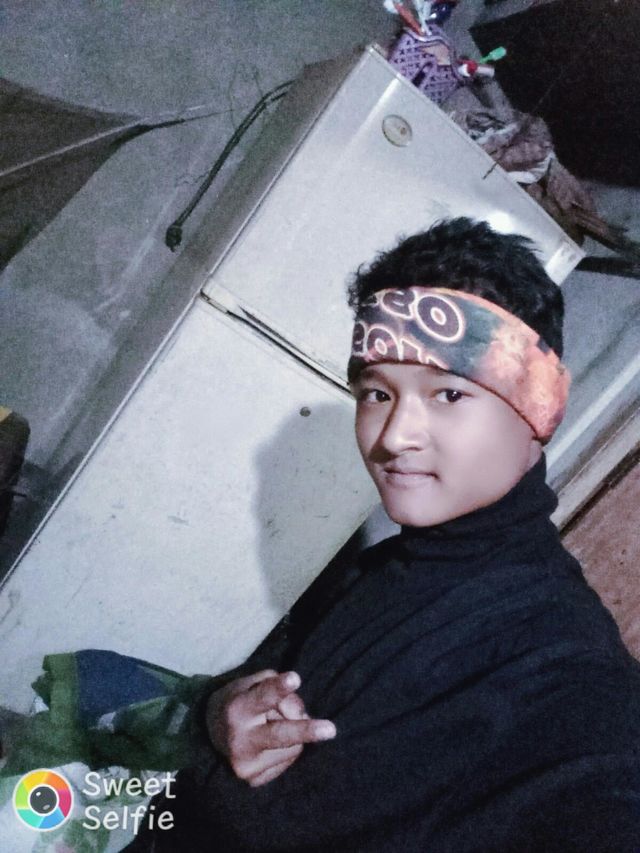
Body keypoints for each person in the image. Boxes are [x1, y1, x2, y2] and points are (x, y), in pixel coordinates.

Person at [127, 218, 640, 852]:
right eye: (376, 393)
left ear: (538, 414)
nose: (394, 436)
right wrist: (223, 711)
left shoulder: (561, 662)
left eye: (448, 393)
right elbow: (255, 685)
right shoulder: (379, 567)